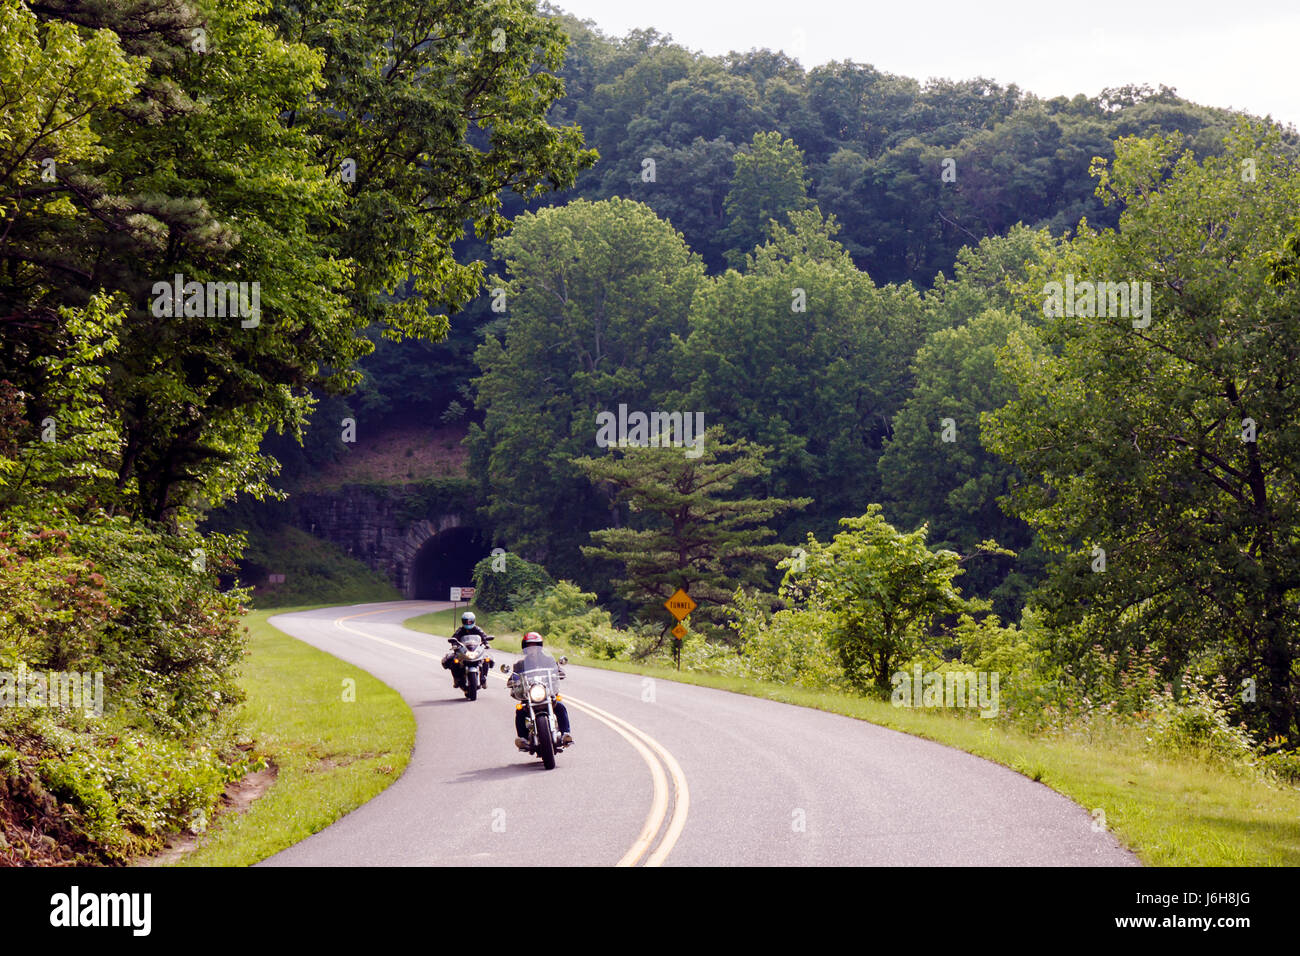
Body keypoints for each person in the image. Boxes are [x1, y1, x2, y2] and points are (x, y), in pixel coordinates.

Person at [507, 631, 573, 750]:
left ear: (540, 647)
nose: (532, 649)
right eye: (530, 646)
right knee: (520, 711)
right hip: (529, 696)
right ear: (525, 648)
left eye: (535, 646)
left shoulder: (548, 660)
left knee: (560, 706)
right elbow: (514, 676)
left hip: (546, 694)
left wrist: (559, 672)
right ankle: (523, 738)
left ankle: (565, 734)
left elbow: (557, 669)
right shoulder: (520, 664)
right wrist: (512, 680)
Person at [442, 611, 490, 690]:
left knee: (487, 659)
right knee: (453, 661)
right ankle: (456, 679)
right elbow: (455, 637)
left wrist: (486, 643)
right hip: (464, 650)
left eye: (470, 621)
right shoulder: (460, 630)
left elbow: (484, 636)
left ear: (473, 621)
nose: (468, 623)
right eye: (466, 621)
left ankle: (483, 678)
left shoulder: (477, 629)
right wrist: (454, 644)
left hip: (475, 649)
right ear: (463, 621)